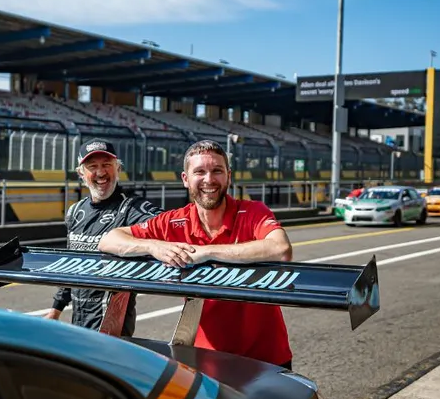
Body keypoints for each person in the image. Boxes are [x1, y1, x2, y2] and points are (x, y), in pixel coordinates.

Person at [98, 139, 295, 369]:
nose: (209, 180)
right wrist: (154, 246)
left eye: (217, 171)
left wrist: (206, 252)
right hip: (206, 358)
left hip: (266, 357)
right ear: (185, 179)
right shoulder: (173, 221)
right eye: (199, 172)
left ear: (228, 176)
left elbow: (281, 249)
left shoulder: (252, 211)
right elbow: (109, 239)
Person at [43, 138, 163, 337]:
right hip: (79, 324)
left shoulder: (132, 209)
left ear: (118, 168)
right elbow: (70, 267)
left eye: (107, 165)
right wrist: (56, 309)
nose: (100, 172)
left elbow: (168, 223)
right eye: (92, 166)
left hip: (113, 329)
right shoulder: (75, 211)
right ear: (81, 173)